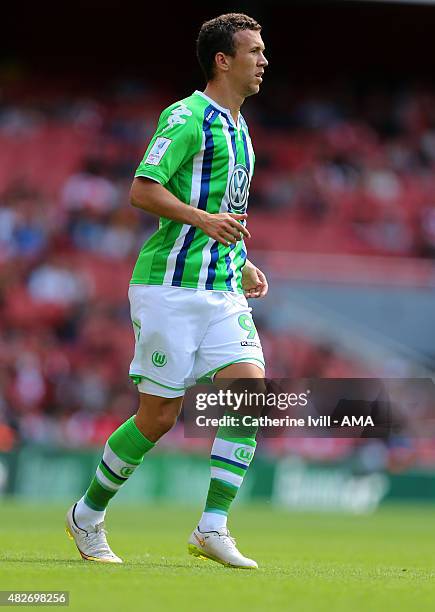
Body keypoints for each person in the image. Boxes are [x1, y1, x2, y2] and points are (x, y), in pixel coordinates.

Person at [66, 12, 269, 569]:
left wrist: (241, 259)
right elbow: (141, 190)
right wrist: (204, 221)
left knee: (251, 394)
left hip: (222, 286)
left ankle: (212, 526)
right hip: (169, 288)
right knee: (158, 416)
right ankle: (87, 514)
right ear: (223, 60)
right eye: (253, 51)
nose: (263, 60)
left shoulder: (242, 129)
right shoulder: (186, 117)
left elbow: (226, 213)